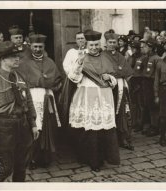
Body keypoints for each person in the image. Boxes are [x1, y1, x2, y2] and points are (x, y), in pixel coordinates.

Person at [62, 30, 120, 172]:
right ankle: (91, 160)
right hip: (86, 96)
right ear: (87, 44)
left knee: (103, 130)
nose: (94, 47)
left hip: (104, 97)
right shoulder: (81, 57)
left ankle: (102, 158)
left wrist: (109, 78)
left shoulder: (106, 57)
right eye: (91, 45)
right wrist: (80, 62)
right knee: (89, 130)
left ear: (99, 44)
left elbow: (114, 79)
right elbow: (73, 77)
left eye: (96, 44)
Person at [0, 41, 38, 182]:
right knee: (2, 169)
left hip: (22, 125)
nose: (17, 59)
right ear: (2, 59)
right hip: (3, 127)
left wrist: (32, 123)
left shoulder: (19, 77)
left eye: (18, 56)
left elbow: (29, 101)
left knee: (21, 166)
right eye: (13, 56)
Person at [16, 34, 62, 169]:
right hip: (33, 97)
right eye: (35, 47)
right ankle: (32, 159)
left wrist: (51, 86)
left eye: (40, 47)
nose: (37, 49)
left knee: (48, 127)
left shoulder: (50, 62)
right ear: (30, 47)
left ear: (44, 47)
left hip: (48, 97)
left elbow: (58, 79)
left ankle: (45, 157)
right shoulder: (24, 63)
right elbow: (20, 81)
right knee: (34, 127)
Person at [102, 32, 134, 150]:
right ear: (106, 43)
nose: (112, 44)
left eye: (114, 42)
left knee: (123, 113)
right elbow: (105, 72)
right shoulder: (102, 55)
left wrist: (118, 73)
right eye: (109, 42)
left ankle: (123, 138)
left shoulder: (120, 56)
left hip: (121, 88)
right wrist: (117, 73)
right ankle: (110, 140)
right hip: (108, 88)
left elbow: (128, 72)